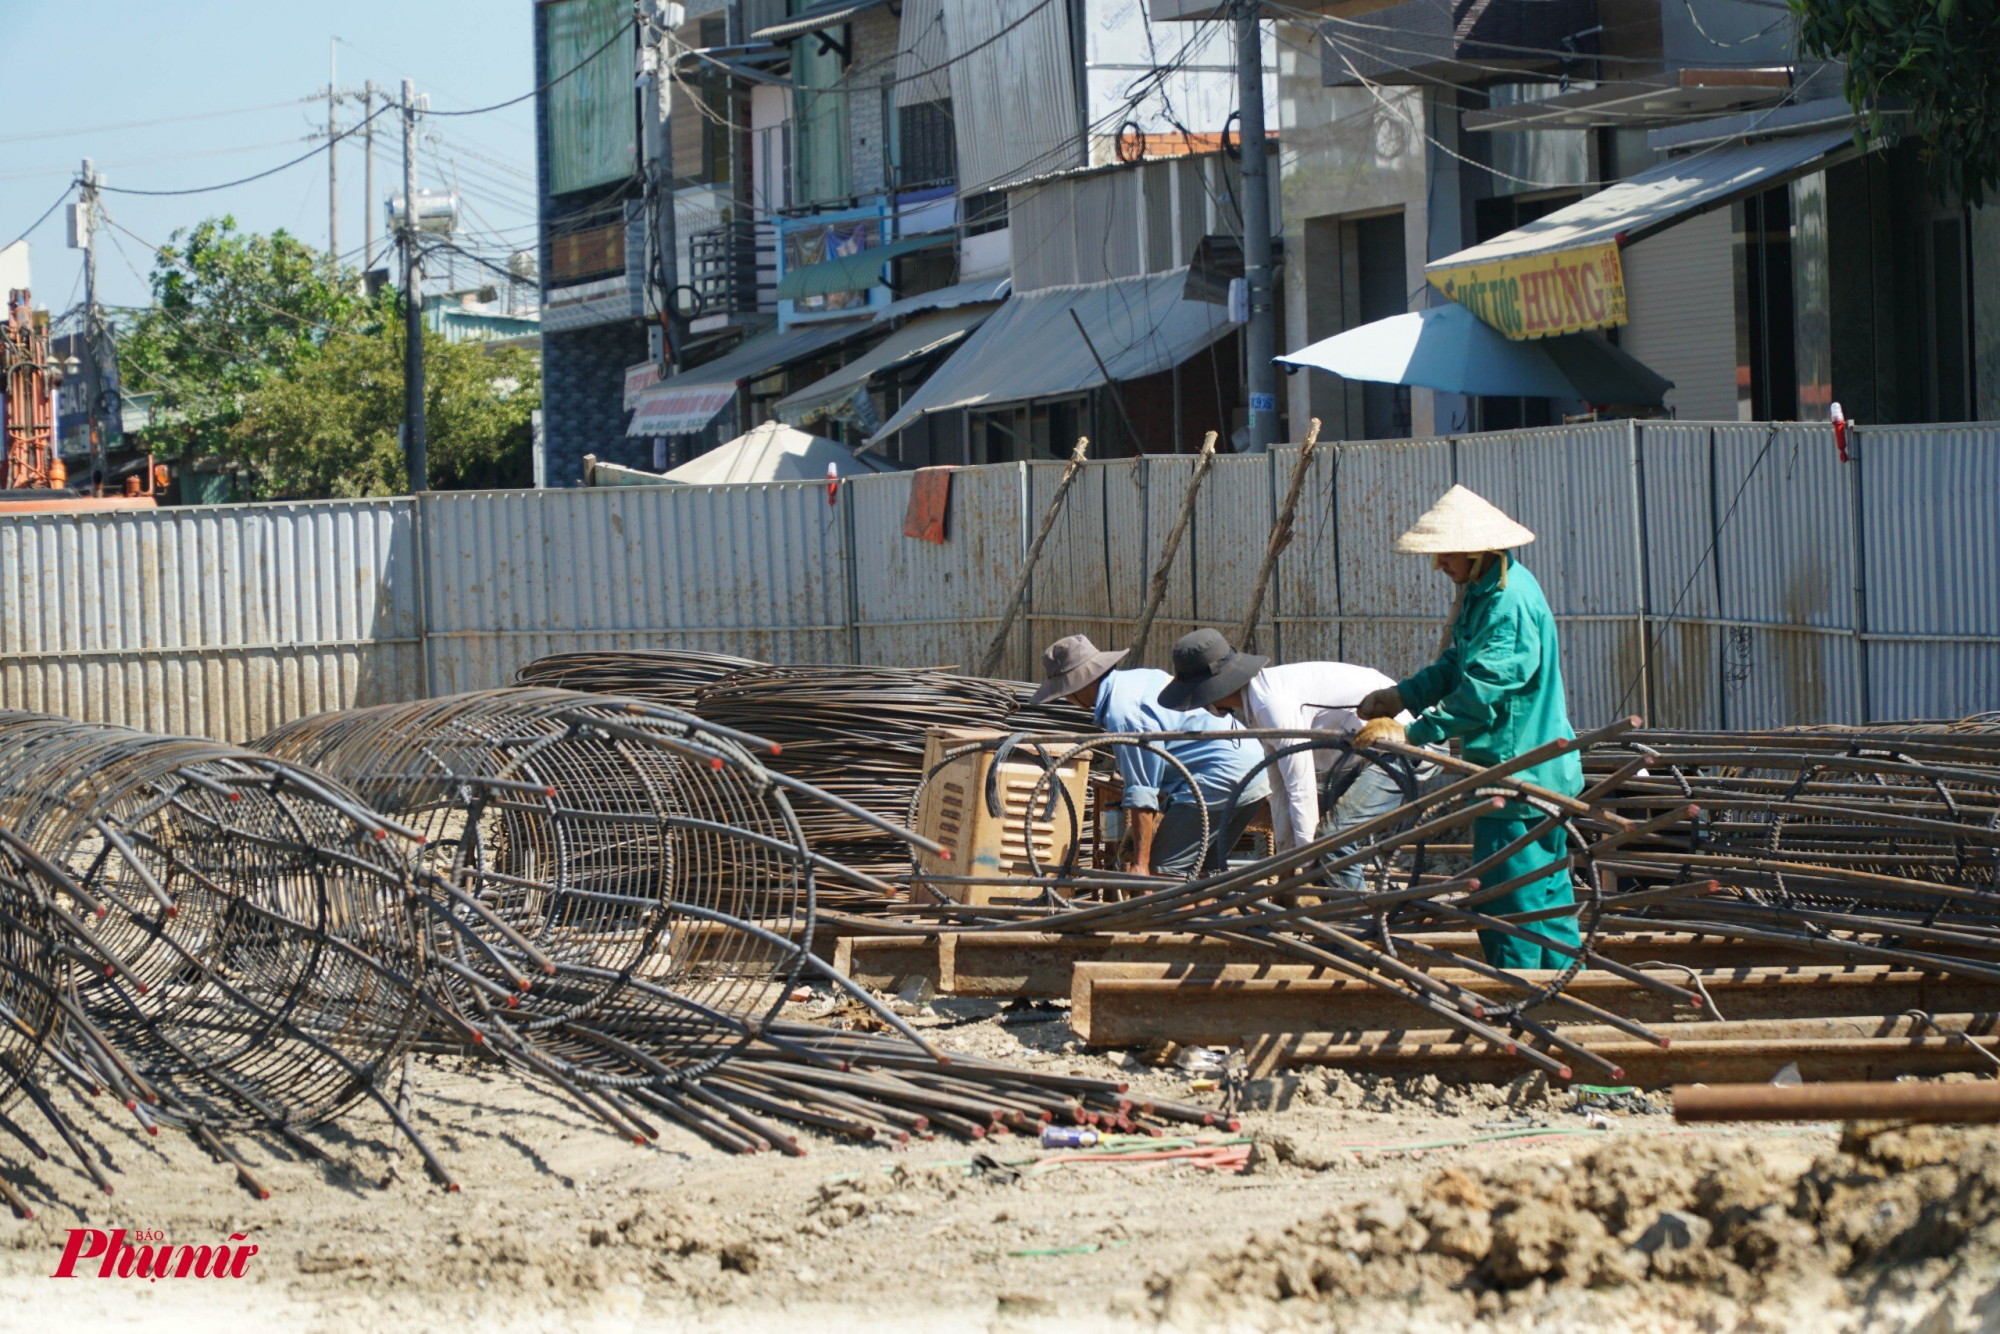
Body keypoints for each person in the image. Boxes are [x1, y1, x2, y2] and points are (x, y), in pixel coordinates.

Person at [1352, 484, 1585, 971]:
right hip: (1525, 772)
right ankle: (1563, 989)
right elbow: (1458, 664)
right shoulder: (1485, 594)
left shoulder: (1507, 603)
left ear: (1477, 551)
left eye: (1446, 555)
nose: (1439, 566)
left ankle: (1521, 998)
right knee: (1544, 899)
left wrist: (1413, 733)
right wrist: (1404, 697)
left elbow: (1483, 692)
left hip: (1521, 774)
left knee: (1509, 904)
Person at [1156, 628, 1424, 891]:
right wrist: (1285, 866)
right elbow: (1280, 788)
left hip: (1407, 745)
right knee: (1318, 832)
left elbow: (1300, 785)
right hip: (1368, 754)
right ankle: (1336, 907)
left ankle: (1355, 922)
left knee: (1332, 837)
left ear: (1212, 690)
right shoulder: (1257, 702)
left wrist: (1303, 870)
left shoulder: (1272, 704)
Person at [1028, 634, 1271, 877]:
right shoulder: (1137, 680)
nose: (1069, 700)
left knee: (1165, 875)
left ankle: (1170, 909)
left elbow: (1143, 791)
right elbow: (1166, 768)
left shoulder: (1124, 715)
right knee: (1204, 873)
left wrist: (1141, 865)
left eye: (1066, 693)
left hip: (1221, 776)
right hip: (1254, 768)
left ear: (1078, 686)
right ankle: (1206, 913)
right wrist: (1137, 830)